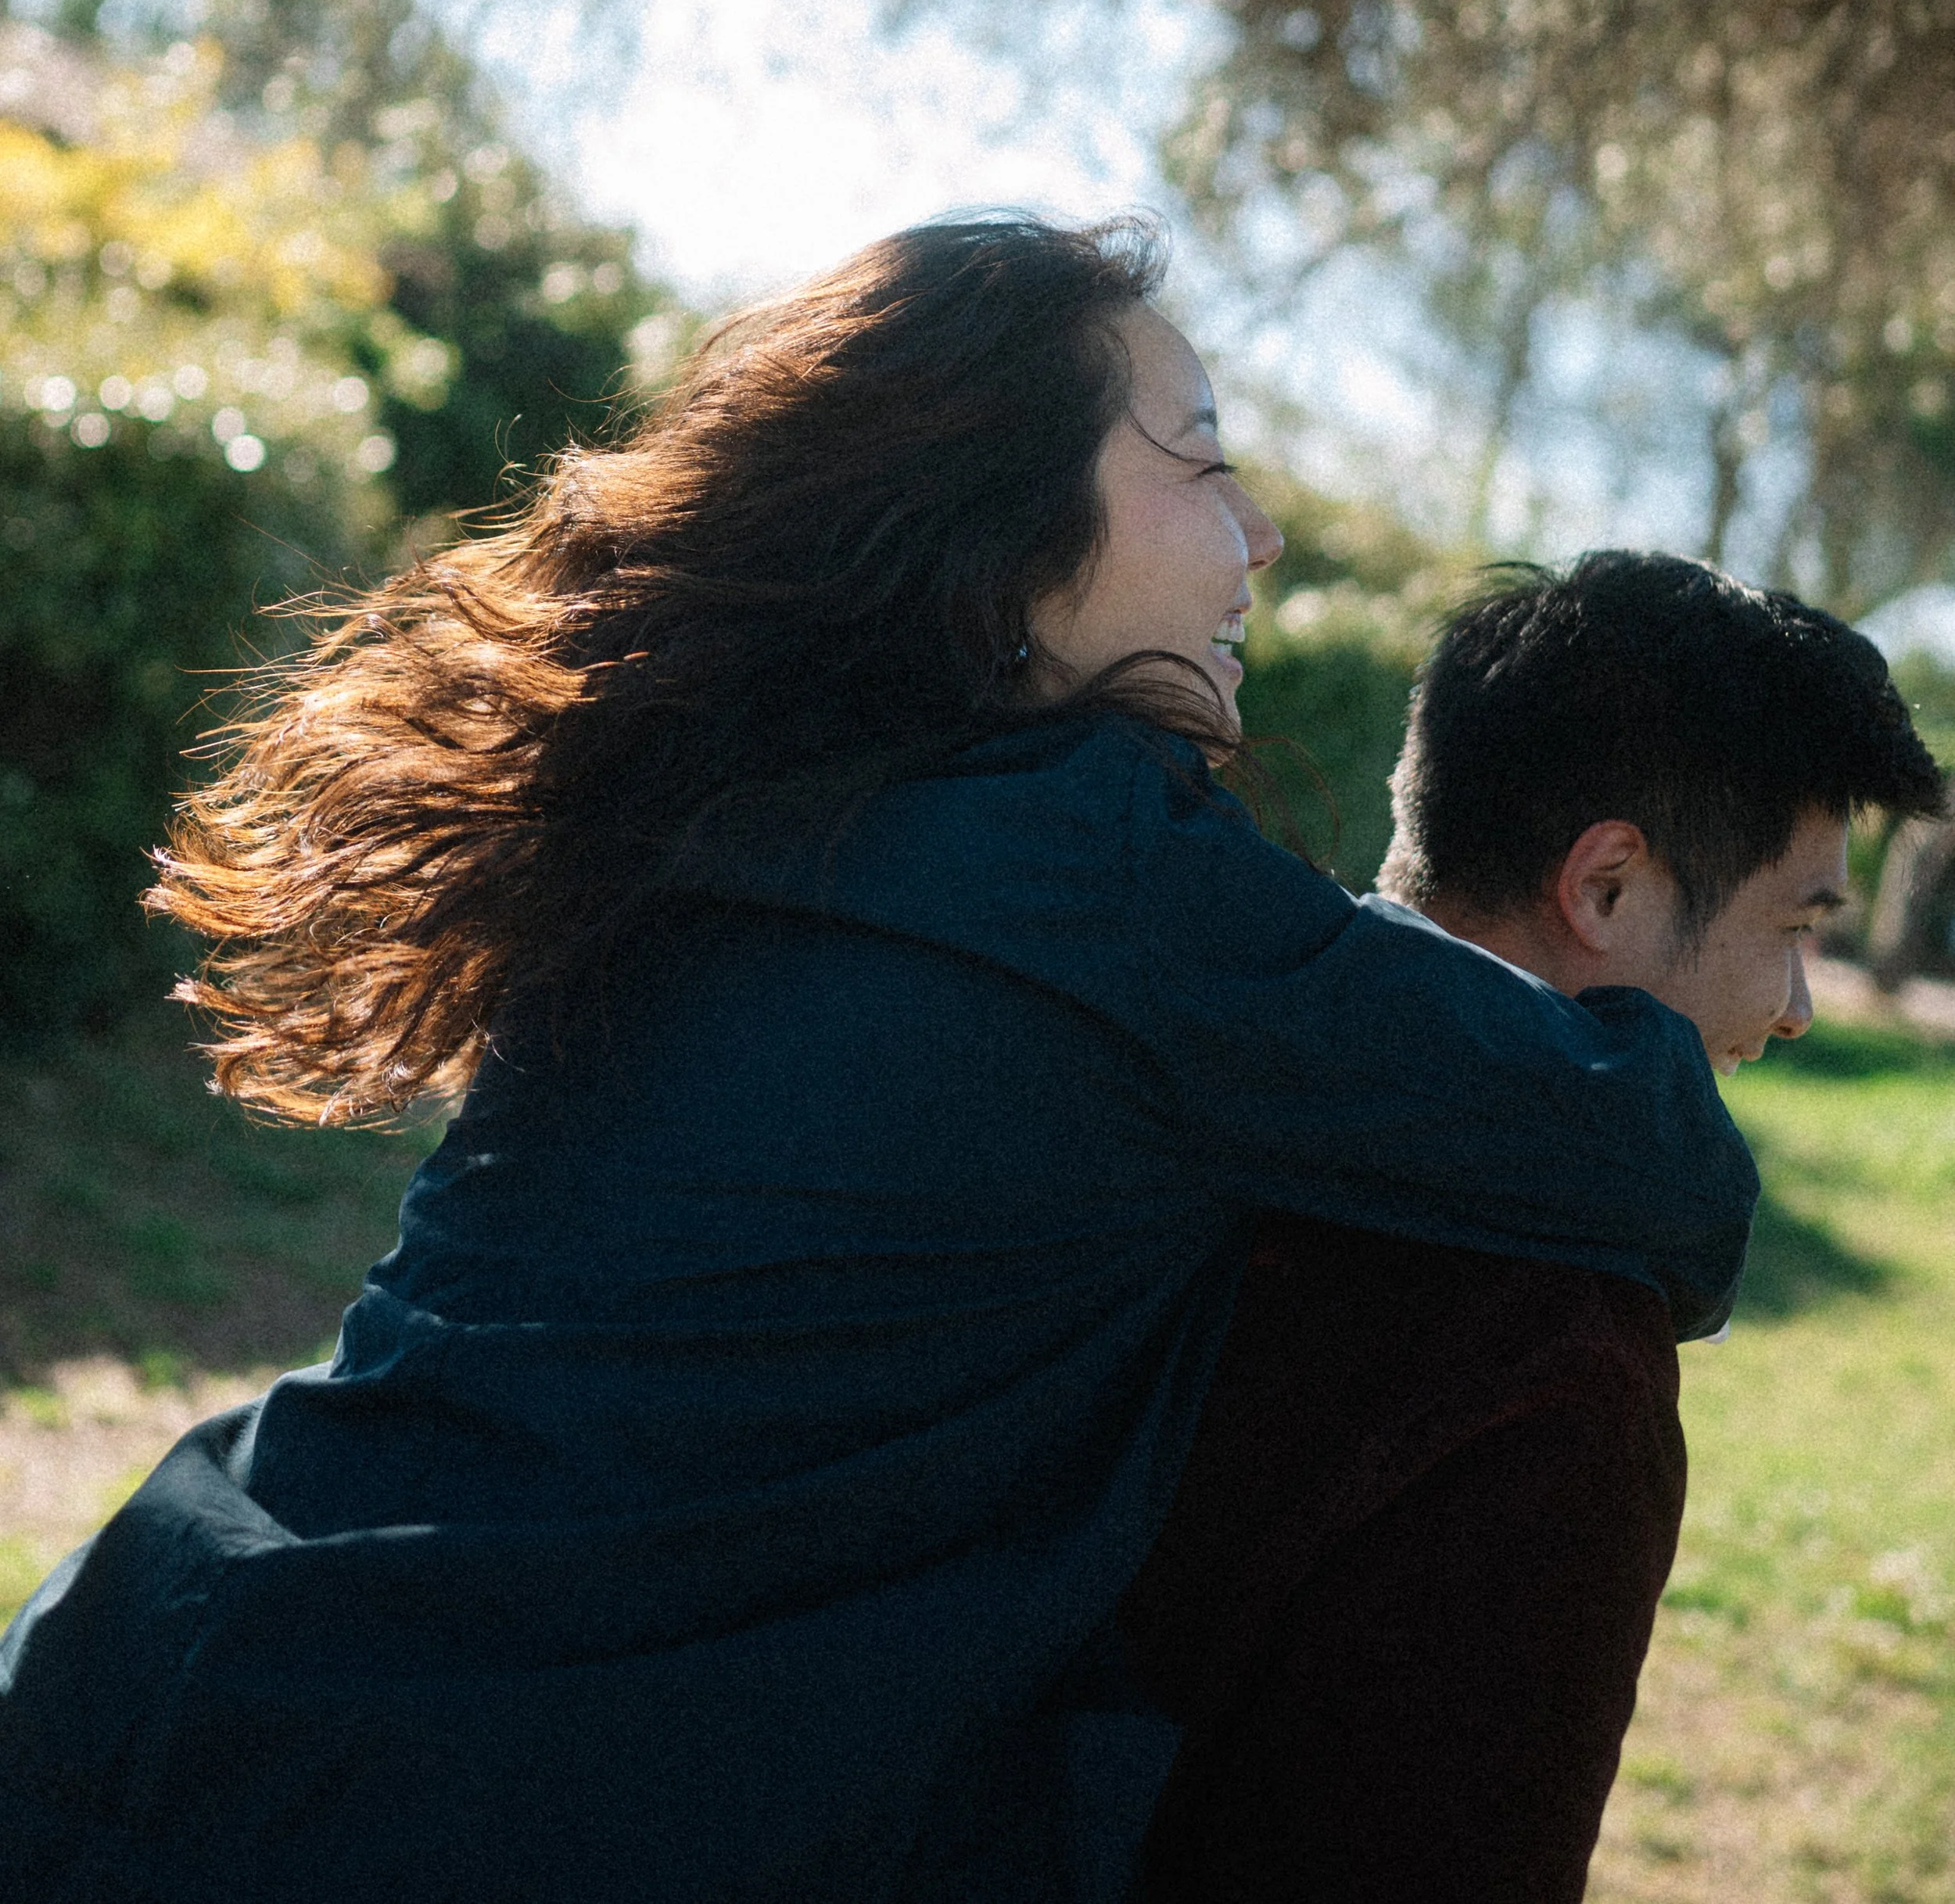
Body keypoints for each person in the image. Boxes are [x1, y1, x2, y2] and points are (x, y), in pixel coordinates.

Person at [0, 219, 1756, 1904]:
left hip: (160, 1670)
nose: (1263, 533)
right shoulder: (1088, 858)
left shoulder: (710, 801)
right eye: (1200, 460)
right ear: (1008, 532)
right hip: (463, 1814)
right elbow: (1648, 1161)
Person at [1122, 551, 1942, 1904]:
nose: (1798, 1006)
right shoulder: (1559, 1353)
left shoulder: (1148, 1085)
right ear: (1607, 885)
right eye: (1794, 926)